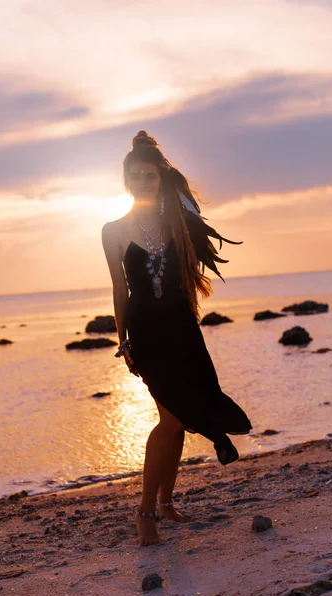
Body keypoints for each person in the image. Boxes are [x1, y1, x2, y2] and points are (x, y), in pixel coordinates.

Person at [102, 130, 252, 546]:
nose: (141, 183)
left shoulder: (174, 222)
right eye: (135, 177)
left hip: (182, 328)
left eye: (149, 177)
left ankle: (167, 503)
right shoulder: (112, 230)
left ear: (159, 179)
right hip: (146, 330)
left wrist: (174, 183)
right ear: (126, 180)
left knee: (181, 417)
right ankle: (145, 513)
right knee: (170, 419)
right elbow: (119, 288)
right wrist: (122, 340)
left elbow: (192, 222)